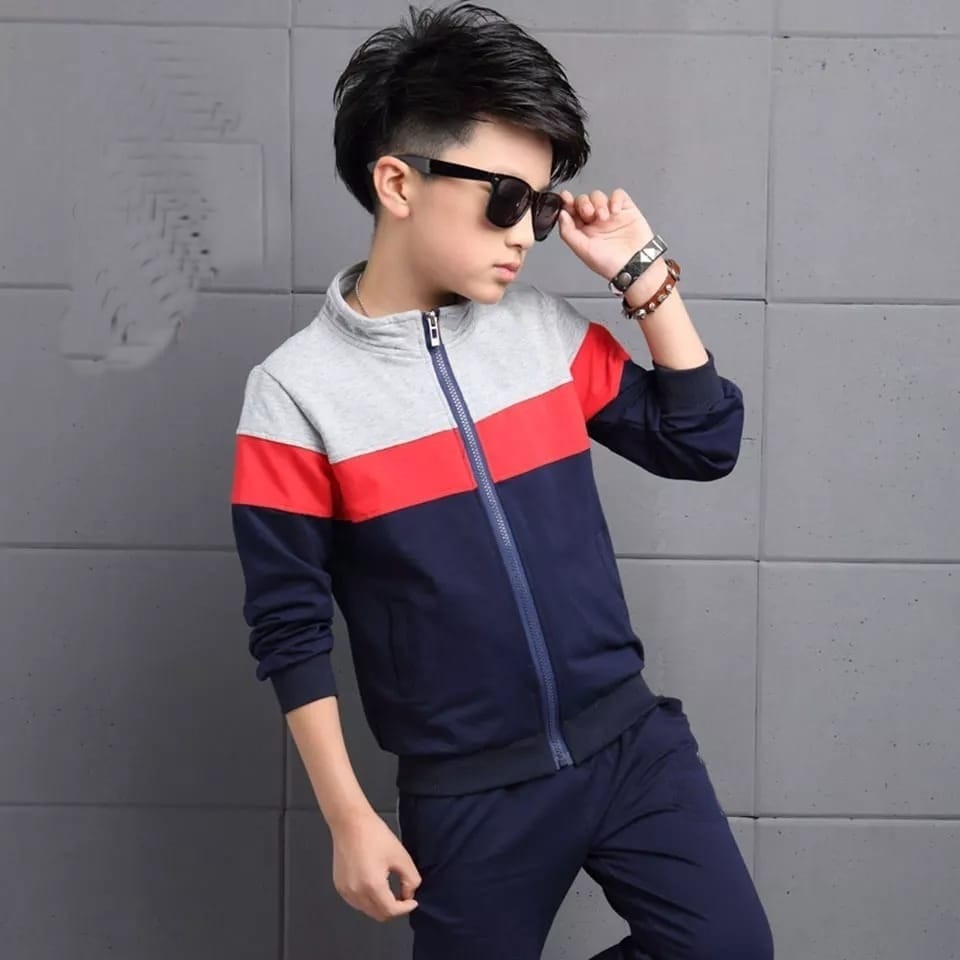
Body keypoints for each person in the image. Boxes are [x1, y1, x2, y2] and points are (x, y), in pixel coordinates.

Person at [230, 4, 773, 958]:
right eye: (506, 198)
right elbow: (289, 623)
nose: (526, 233)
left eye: (542, 206)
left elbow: (702, 440)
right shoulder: (293, 394)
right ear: (397, 182)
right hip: (469, 794)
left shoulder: (542, 335)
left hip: (630, 747)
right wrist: (350, 817)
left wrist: (642, 272)